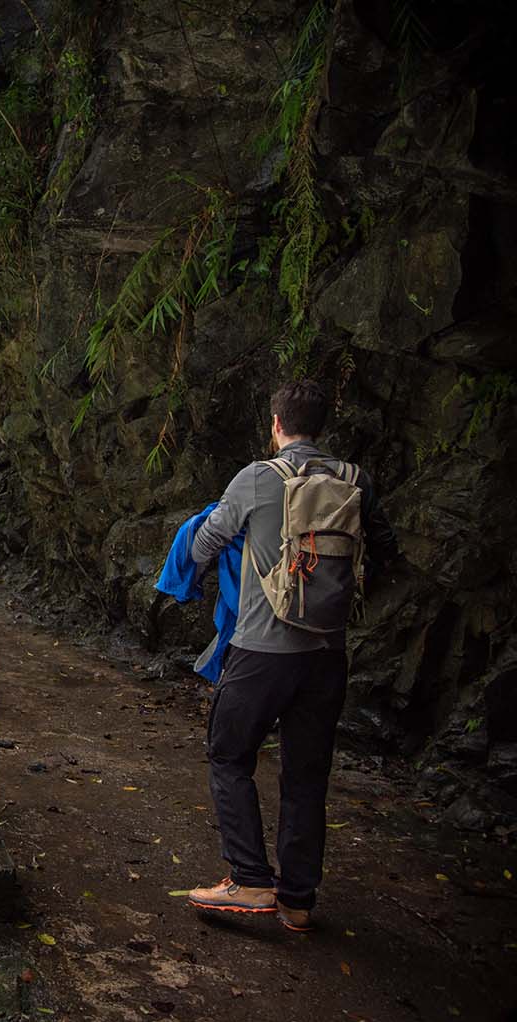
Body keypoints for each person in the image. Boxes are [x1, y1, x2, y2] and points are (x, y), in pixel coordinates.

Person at [184, 380, 398, 931]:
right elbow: (386, 552)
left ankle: (252, 880)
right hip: (327, 654)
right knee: (307, 775)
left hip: (261, 651)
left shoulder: (257, 478)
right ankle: (298, 901)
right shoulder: (355, 481)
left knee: (229, 756)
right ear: (322, 428)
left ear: (275, 425)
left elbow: (204, 544)